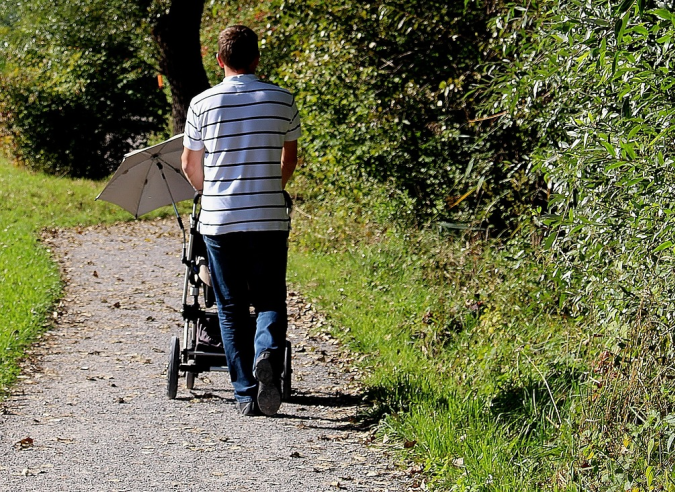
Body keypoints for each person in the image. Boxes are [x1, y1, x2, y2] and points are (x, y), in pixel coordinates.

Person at [181, 25, 300, 416]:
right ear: (257, 59)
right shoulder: (283, 99)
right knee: (270, 297)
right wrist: (268, 185)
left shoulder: (201, 103)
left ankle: (247, 395)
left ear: (219, 61)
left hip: (220, 221)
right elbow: (289, 161)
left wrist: (211, 190)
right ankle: (266, 350)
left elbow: (189, 164)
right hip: (268, 217)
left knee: (230, 306)